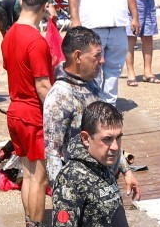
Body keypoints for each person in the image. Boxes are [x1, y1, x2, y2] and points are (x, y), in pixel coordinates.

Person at [42, 25, 141, 202]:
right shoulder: (60, 96)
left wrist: (126, 170)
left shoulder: (93, 83)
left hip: (105, 184)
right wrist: (64, 201)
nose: (102, 60)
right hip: (79, 189)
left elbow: (110, 136)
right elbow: (52, 154)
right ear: (78, 56)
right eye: (97, 55)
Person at [3, 0, 55, 227]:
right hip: (32, 113)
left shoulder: (10, 34)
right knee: (39, 177)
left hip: (14, 111)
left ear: (22, 1)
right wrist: (59, 114)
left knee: (27, 173)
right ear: (45, 7)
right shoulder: (36, 41)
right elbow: (43, 85)